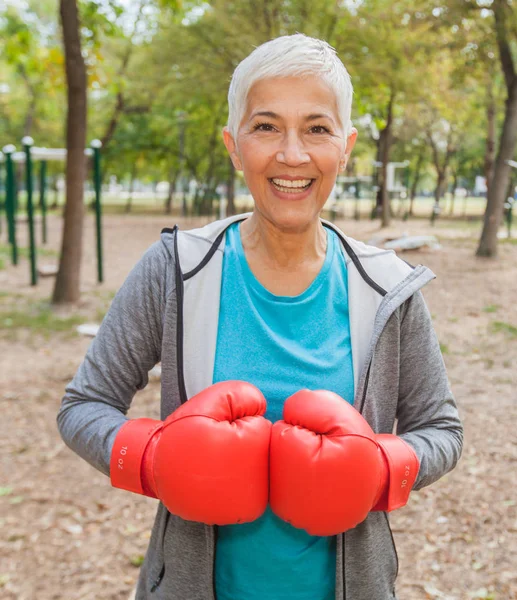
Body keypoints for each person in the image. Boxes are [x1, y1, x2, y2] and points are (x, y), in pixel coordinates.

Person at [57, 34, 463, 600]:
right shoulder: (176, 270)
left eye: (317, 129)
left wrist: (381, 468)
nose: (292, 154)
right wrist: (153, 461)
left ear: (344, 148)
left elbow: (442, 430)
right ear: (233, 144)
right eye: (266, 125)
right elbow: (84, 405)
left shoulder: (389, 289)